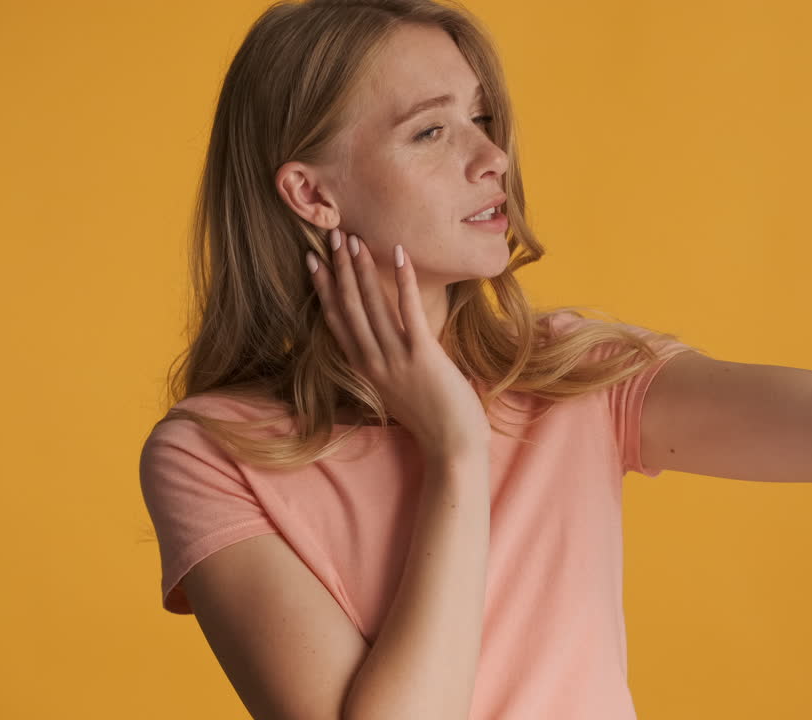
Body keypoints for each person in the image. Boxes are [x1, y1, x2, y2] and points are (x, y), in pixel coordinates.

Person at [138, 2, 703, 719]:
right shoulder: (213, 454)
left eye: (483, 119)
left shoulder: (577, 377)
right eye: (431, 131)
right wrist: (455, 448)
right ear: (311, 194)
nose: (493, 158)